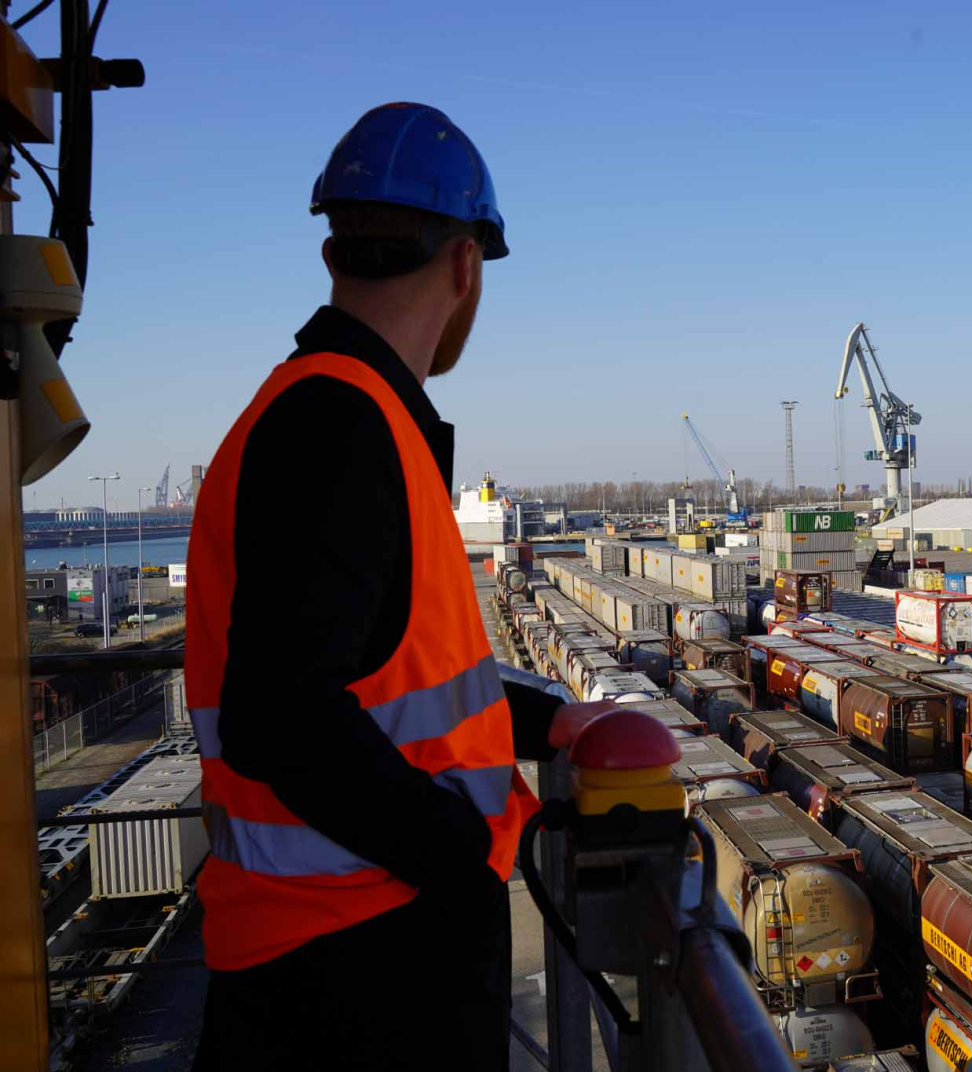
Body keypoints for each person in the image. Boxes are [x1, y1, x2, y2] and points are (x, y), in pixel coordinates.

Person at [187, 103, 602, 1071]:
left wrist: (546, 722)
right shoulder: (339, 423)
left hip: (326, 951)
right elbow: (280, 712)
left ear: (337, 251)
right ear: (465, 266)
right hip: (359, 965)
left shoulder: (333, 410)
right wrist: (455, 847)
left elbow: (389, 675)